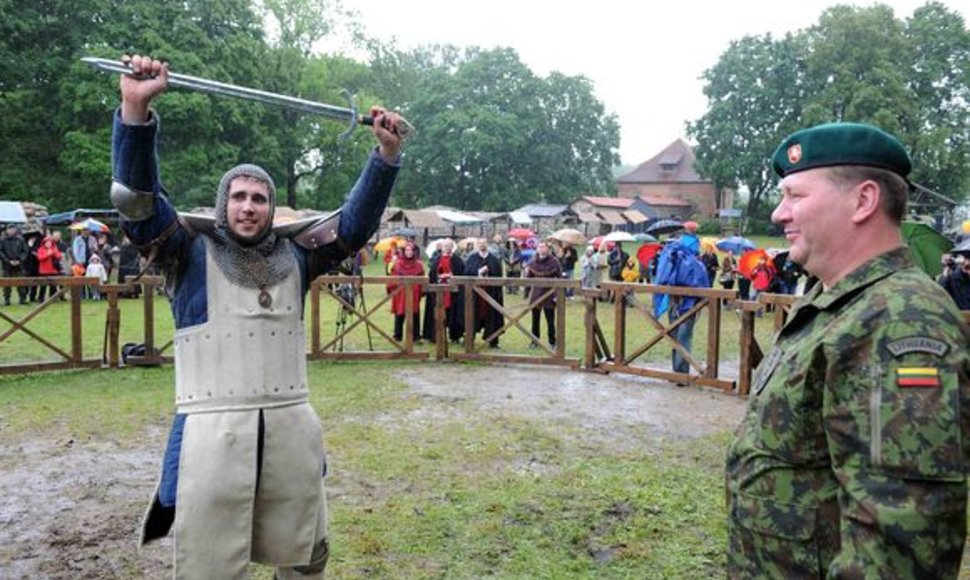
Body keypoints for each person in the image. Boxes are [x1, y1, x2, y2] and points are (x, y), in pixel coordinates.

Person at [109, 54, 404, 579]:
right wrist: (135, 111)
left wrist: (384, 155)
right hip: (212, 440)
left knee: (305, 556)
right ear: (224, 205)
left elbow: (353, 228)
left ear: (272, 209)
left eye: (260, 199)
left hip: (290, 434)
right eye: (240, 197)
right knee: (210, 566)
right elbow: (136, 204)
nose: (248, 207)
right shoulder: (188, 252)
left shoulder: (296, 255)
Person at [726, 122, 970, 578]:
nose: (779, 214)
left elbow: (899, 537)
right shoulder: (842, 304)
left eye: (795, 195)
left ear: (863, 200)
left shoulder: (900, 317)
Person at [653, 239, 709, 378]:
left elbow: (661, 279)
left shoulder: (670, 259)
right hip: (688, 305)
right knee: (683, 338)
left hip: (675, 302)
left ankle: (678, 372)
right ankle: (680, 373)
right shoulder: (697, 265)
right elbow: (704, 286)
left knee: (675, 336)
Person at [464, 238, 504, 348]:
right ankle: (469, 339)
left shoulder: (494, 259)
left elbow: (498, 275)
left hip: (490, 294)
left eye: (484, 243)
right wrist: (478, 272)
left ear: (487, 244)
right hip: (475, 295)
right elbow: (467, 272)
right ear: (477, 245)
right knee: (472, 315)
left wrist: (489, 271)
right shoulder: (472, 258)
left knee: (491, 316)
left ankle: (493, 341)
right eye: (480, 243)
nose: (482, 245)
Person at [423, 239, 463, 343]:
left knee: (453, 314)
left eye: (449, 246)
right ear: (442, 247)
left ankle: (455, 336)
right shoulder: (436, 259)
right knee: (438, 313)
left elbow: (461, 274)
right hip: (439, 292)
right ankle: (435, 336)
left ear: (452, 247)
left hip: (453, 293)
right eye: (445, 246)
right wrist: (439, 277)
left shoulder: (457, 260)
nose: (447, 248)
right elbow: (432, 274)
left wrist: (451, 276)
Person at [524, 241, 562, 349]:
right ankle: (534, 341)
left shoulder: (554, 262)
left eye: (543, 246)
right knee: (535, 320)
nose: (541, 248)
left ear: (548, 248)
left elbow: (560, 278)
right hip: (536, 294)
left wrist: (557, 295)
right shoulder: (532, 262)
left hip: (549, 295)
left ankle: (552, 342)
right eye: (539, 246)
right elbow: (528, 279)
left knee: (550, 320)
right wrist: (526, 293)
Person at [387, 241, 423, 342]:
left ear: (414, 251)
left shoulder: (419, 265)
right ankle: (397, 335)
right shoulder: (398, 264)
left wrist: (418, 290)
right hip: (400, 294)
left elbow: (422, 279)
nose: (409, 252)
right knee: (400, 313)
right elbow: (393, 278)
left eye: (411, 250)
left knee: (415, 314)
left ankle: (415, 336)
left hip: (414, 294)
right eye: (407, 250)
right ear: (404, 251)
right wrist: (393, 288)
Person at [0, 225, 29, 305]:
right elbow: (1, 252)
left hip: (19, 265)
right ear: (7, 230)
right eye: (10, 229)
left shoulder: (21, 239)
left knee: (21, 282)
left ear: (16, 230)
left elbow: (25, 251)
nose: (12, 230)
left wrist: (20, 260)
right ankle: (7, 299)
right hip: (6, 265)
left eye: (13, 229)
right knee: (6, 284)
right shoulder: (2, 240)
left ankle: (22, 299)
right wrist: (8, 261)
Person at [34, 234, 63, 302]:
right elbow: (40, 258)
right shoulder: (41, 249)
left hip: (53, 270)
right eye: (47, 242)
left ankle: (53, 299)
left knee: (53, 286)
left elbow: (59, 256)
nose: (48, 243)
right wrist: (48, 254)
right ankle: (41, 299)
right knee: (43, 286)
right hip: (43, 271)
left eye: (50, 242)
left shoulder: (54, 248)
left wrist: (53, 252)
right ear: (44, 243)